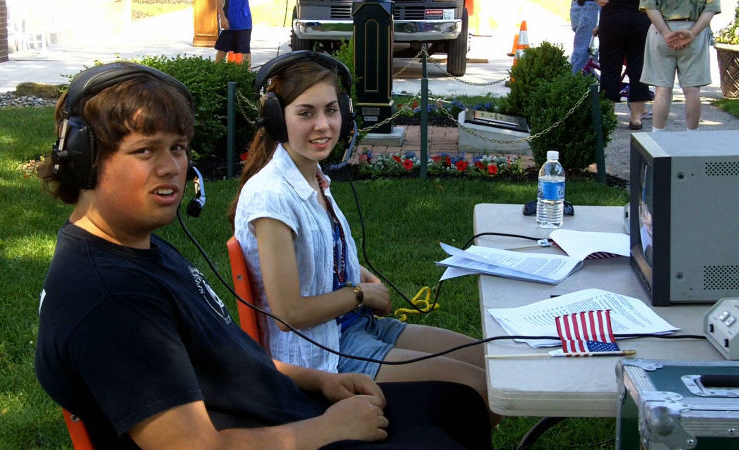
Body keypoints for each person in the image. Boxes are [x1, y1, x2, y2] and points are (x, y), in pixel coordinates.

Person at [34, 61, 492, 449]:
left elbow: (228, 355)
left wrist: (321, 382)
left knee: (461, 404)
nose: (172, 167)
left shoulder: (141, 250)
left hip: (289, 406)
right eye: (144, 151)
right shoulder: (109, 300)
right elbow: (193, 446)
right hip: (292, 432)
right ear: (84, 160)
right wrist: (326, 429)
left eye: (177, 148)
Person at [229, 51, 498, 424]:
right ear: (276, 119)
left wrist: (356, 274)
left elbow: (316, 257)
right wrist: (359, 295)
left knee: (494, 365)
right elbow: (289, 314)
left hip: (356, 325)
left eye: (331, 110)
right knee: (479, 391)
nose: (323, 125)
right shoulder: (271, 195)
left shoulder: (312, 176)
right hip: (325, 352)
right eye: (306, 113)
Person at [639, 0, 721, 131]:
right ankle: (692, 135)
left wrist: (665, 32)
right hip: (694, 29)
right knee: (692, 90)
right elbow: (711, 8)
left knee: (662, 90)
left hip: (661, 30)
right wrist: (693, 33)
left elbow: (649, 6)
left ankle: (657, 134)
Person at [596, 0, 653, 130]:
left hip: (612, 16)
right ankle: (636, 118)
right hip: (640, 16)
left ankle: (608, 115)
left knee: (609, 69)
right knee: (639, 68)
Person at [214, 0, 252, 66]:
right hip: (229, 23)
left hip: (245, 22)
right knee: (222, 51)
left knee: (245, 51)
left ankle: (247, 71)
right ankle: (216, 70)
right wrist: (222, 17)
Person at [571, 0, 602, 74]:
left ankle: (579, 79)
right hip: (588, 6)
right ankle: (580, 79)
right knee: (584, 57)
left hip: (589, 6)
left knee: (583, 56)